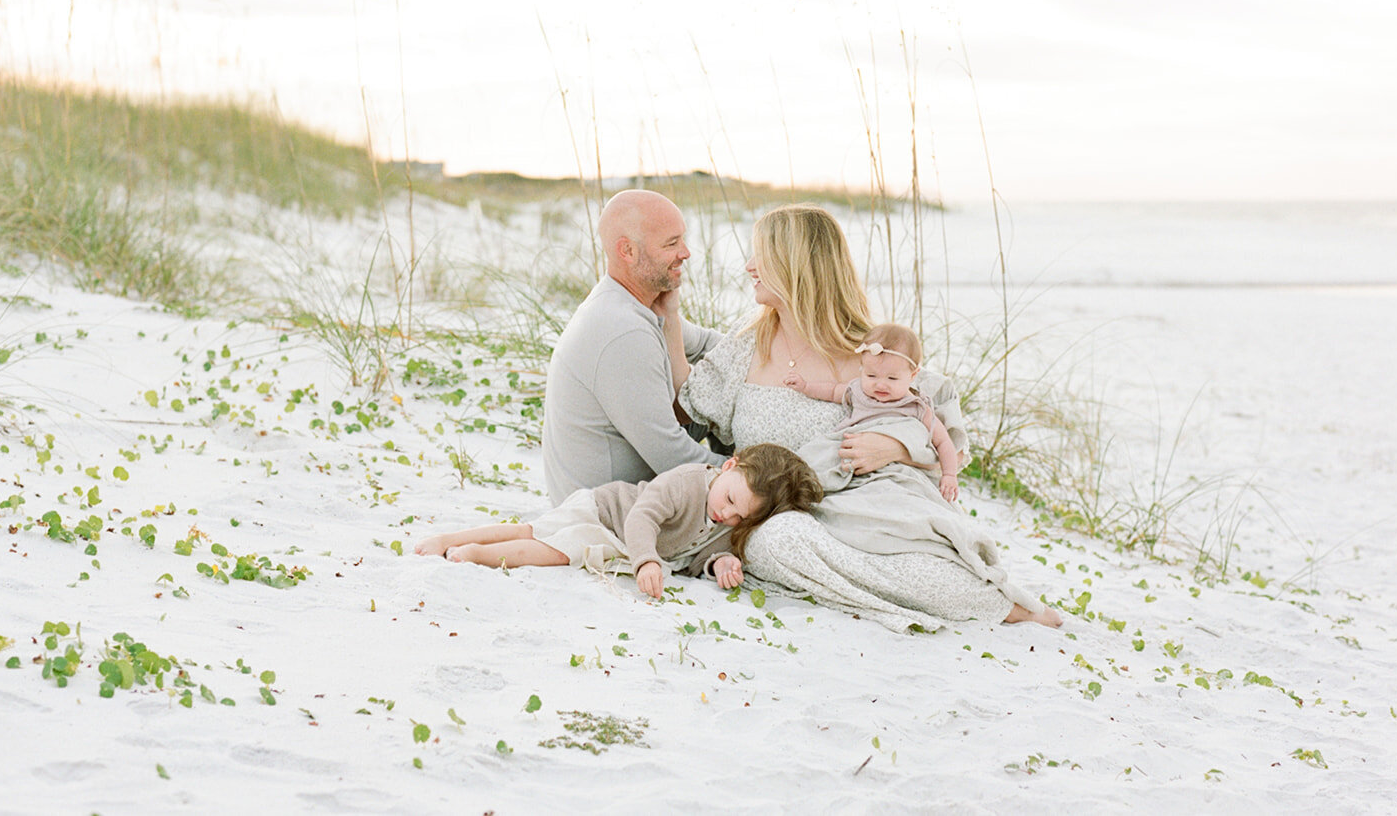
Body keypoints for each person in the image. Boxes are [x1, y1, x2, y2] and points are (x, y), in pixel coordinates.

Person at [677, 204, 1063, 631]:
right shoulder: (746, 347)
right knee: (772, 541)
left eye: (761, 256)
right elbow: (685, 409)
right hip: (790, 521)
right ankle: (951, 600)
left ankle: (987, 601)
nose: (749, 267)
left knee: (916, 562)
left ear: (795, 265)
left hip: (873, 514)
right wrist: (662, 314)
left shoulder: (871, 355)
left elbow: (945, 433)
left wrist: (898, 446)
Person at [413, 444, 822, 599]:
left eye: (740, 516)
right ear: (728, 465)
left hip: (617, 542)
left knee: (547, 543)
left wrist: (720, 564)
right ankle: (465, 546)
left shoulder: (728, 522)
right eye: (730, 498)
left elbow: (698, 556)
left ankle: (469, 550)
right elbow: (644, 516)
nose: (726, 514)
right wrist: (646, 560)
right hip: (606, 514)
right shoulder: (689, 482)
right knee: (541, 539)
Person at [542, 190, 723, 505]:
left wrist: (777, 355)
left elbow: (713, 345)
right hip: (609, 511)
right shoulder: (623, 331)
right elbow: (673, 458)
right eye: (671, 244)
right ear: (627, 250)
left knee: (732, 397)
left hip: (632, 483)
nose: (686, 252)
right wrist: (761, 475)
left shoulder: (634, 303)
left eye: (682, 239)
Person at [784, 322, 960, 502]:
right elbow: (832, 391)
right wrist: (805, 387)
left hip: (892, 469)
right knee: (814, 455)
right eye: (871, 376)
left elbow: (944, 442)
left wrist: (949, 475)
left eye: (892, 378)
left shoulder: (917, 407)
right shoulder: (858, 392)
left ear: (913, 375)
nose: (880, 384)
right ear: (862, 370)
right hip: (852, 454)